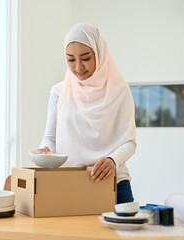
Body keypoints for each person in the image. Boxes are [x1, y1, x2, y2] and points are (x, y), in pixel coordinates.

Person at [39, 23, 137, 204]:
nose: (78, 67)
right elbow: (50, 138)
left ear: (100, 54)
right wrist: (46, 151)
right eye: (70, 59)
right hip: (69, 182)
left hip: (113, 182)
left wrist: (112, 160)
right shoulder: (59, 92)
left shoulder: (119, 90)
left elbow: (129, 142)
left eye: (85, 58)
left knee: (124, 233)